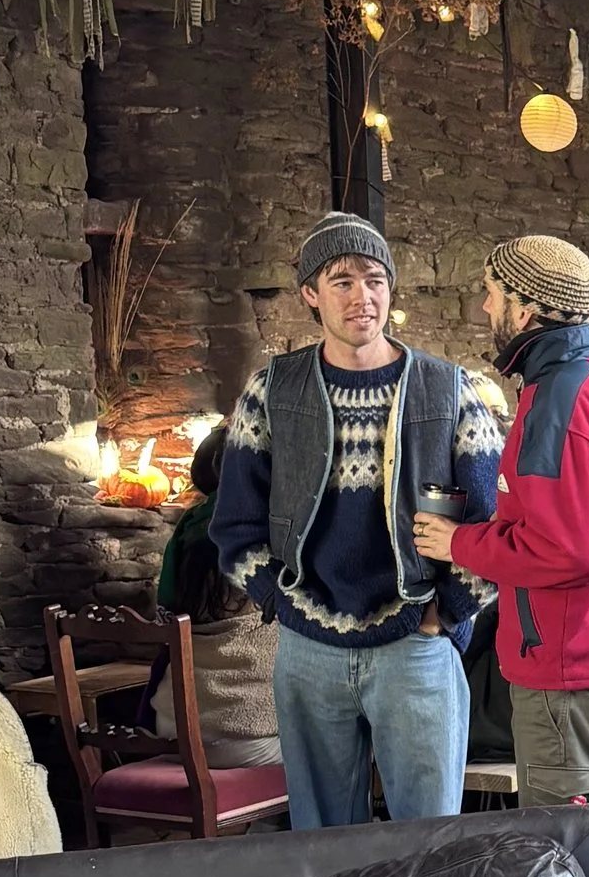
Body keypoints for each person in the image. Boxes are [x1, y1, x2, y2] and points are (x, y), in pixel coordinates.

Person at [212, 213, 500, 829]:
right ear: (309, 295)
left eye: (374, 279)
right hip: (308, 649)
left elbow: (493, 526)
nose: (361, 296)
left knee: (427, 845)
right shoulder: (272, 392)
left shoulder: (450, 392)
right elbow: (235, 527)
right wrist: (283, 606)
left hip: (415, 647)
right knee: (322, 848)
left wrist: (445, 612)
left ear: (391, 289)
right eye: (341, 281)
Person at [413, 238, 589, 877]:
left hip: (572, 676)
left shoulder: (559, 401)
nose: (485, 305)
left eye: (494, 292)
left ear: (528, 310)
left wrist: (458, 541)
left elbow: (570, 550)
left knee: (577, 868)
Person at [152, 423, 278, 765]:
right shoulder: (272, 529)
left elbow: (165, 612)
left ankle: (255, 820)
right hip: (248, 734)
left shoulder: (187, 526)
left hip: (174, 729)